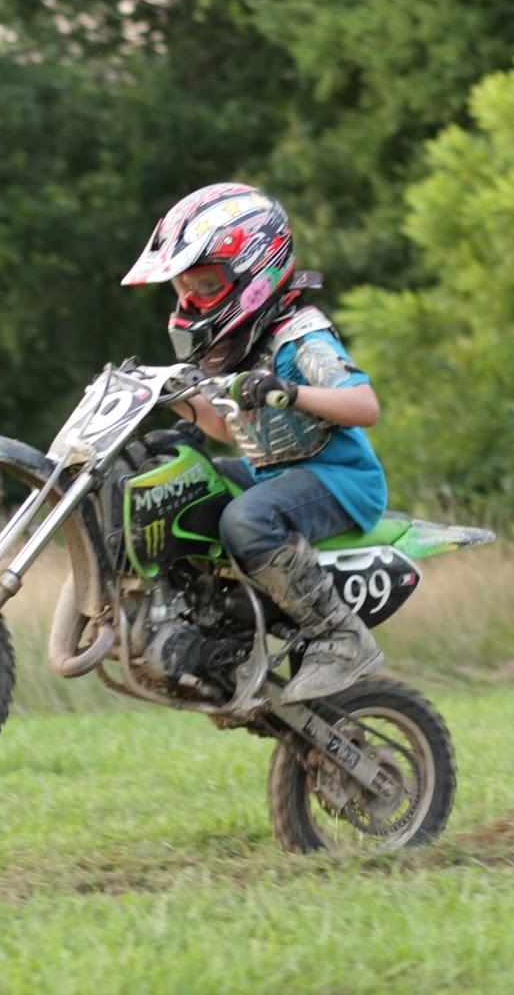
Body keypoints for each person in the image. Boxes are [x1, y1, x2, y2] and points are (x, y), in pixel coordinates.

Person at [121, 182, 387, 703]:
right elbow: (225, 430)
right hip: (275, 472)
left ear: (254, 270)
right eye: (185, 289)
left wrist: (290, 390)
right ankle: (216, 631)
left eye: (205, 284)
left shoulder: (302, 336)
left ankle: (340, 635)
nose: (192, 300)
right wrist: (171, 399)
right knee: (184, 483)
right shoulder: (245, 345)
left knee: (246, 519)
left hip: (340, 480)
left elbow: (365, 407)